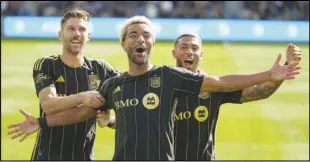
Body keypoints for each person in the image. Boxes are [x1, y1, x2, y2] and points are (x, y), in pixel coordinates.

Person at [7, 16, 301, 160]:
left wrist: (269, 73)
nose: (140, 39)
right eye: (133, 34)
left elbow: (221, 83)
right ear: (124, 44)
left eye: (146, 34)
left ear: (153, 44)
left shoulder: (170, 76)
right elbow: (82, 113)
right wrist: (42, 122)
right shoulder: (114, 84)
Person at [170, 33, 302, 160]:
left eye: (195, 48)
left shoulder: (214, 87)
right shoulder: (163, 83)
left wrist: (285, 69)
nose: (189, 52)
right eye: (184, 47)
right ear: (174, 53)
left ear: (201, 55)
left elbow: (260, 91)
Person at [25, 9, 119, 160]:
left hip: (84, 157)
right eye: (71, 29)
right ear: (60, 34)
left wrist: (110, 120)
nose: (77, 34)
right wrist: (83, 97)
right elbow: (49, 105)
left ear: (88, 36)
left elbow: (132, 112)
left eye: (82, 29)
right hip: (47, 156)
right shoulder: (47, 65)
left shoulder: (102, 69)